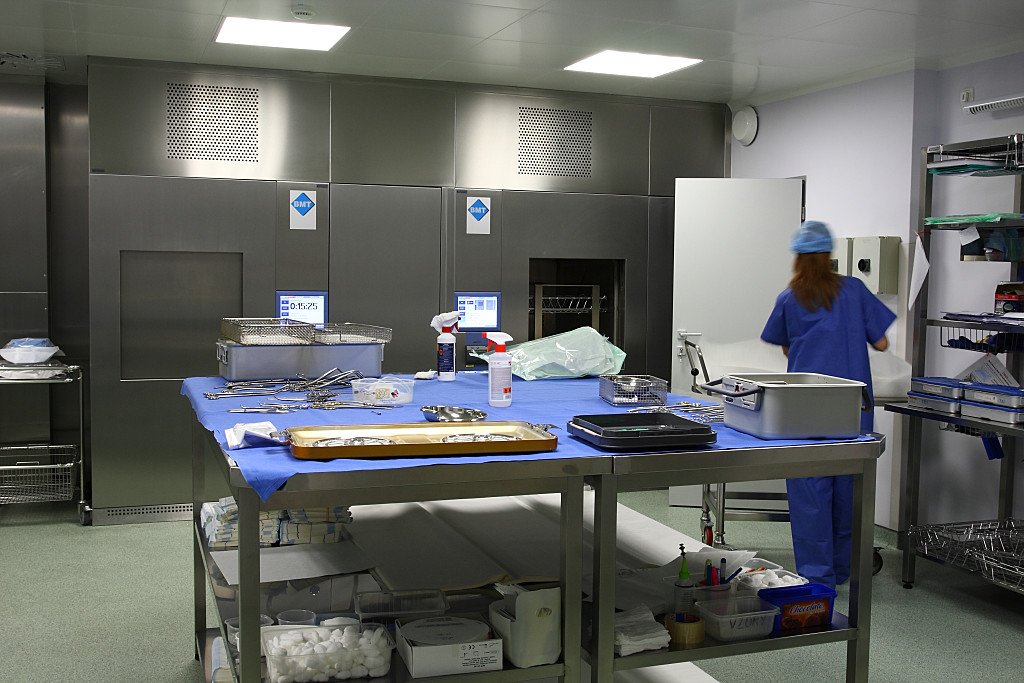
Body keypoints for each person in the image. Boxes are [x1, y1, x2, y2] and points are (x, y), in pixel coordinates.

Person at [760, 220, 895, 588]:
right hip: (851, 408)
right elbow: (882, 343)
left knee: (810, 491)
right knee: (848, 486)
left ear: (798, 258)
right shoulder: (855, 291)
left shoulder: (789, 298)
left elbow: (785, 346)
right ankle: (843, 568)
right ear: (828, 255)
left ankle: (817, 577)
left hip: (804, 410)